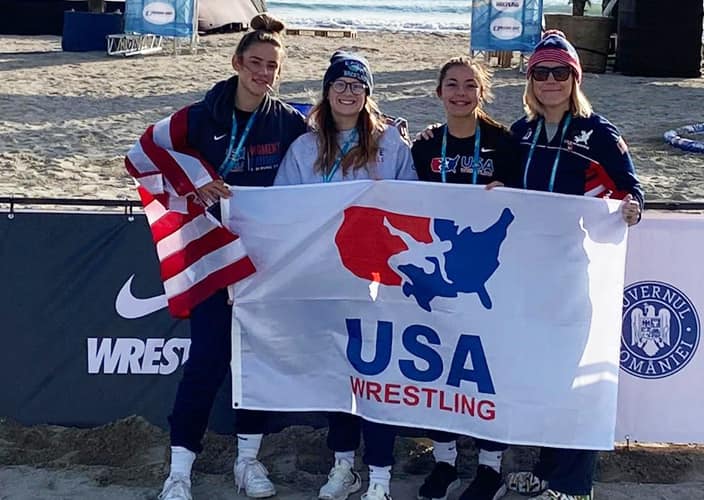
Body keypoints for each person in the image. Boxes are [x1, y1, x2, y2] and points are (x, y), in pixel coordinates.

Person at [126, 14, 307, 500]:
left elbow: (325, 147)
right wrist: (195, 178)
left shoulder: (287, 120)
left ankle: (248, 462)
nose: (263, 73)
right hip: (210, 256)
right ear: (236, 62)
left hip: (263, 260)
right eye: (255, 63)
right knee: (207, 359)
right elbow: (139, 152)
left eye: (272, 66)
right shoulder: (201, 115)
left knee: (255, 361)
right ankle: (179, 470)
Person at [504, 30, 643, 500]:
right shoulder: (520, 131)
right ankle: (547, 469)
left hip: (575, 269)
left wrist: (632, 208)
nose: (550, 80)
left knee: (576, 374)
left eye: (560, 72)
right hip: (528, 274)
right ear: (530, 79)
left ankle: (574, 483)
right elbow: (498, 185)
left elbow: (632, 188)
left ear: (575, 78)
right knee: (543, 374)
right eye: (541, 72)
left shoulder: (597, 131)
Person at [275, 51, 417, 500]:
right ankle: (343, 467)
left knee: (376, 377)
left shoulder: (392, 144)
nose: (349, 92)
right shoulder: (304, 147)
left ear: (368, 93)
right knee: (339, 376)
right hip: (325, 276)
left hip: (377, 279)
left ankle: (379, 477)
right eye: (341, 84)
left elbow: (413, 202)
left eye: (358, 85)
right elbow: (282, 206)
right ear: (327, 90)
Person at [410, 56, 518, 500]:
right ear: (438, 93)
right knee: (441, 366)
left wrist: (507, 193)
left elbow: (525, 204)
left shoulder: (504, 142)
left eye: (470, 85)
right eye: (451, 85)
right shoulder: (424, 146)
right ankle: (445, 460)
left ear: (482, 92)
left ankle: (490, 467)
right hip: (442, 274)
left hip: (491, 273)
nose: (460, 92)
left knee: (488, 368)